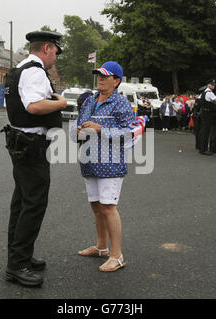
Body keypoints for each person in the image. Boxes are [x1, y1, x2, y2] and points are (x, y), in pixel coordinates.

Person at [2, 31, 67, 287]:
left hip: (21, 141)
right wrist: (60, 103)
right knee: (34, 203)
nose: (55, 59)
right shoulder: (35, 70)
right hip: (31, 146)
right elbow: (34, 106)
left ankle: (19, 257)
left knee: (22, 201)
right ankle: (17, 265)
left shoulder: (19, 68)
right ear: (48, 48)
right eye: (55, 53)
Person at [72, 61, 134, 272]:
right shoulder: (89, 100)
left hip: (111, 163)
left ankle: (117, 256)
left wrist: (100, 128)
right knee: (96, 207)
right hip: (89, 160)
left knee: (108, 207)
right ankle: (101, 248)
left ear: (116, 81)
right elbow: (76, 127)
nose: (100, 78)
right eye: (99, 75)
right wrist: (78, 130)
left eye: (105, 76)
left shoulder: (121, 103)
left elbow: (129, 133)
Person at [198, 79, 216, 155]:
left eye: (214, 85)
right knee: (206, 132)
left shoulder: (203, 92)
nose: (214, 86)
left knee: (203, 131)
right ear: (208, 85)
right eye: (212, 85)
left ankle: (202, 148)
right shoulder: (209, 93)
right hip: (207, 113)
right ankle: (204, 150)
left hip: (203, 112)